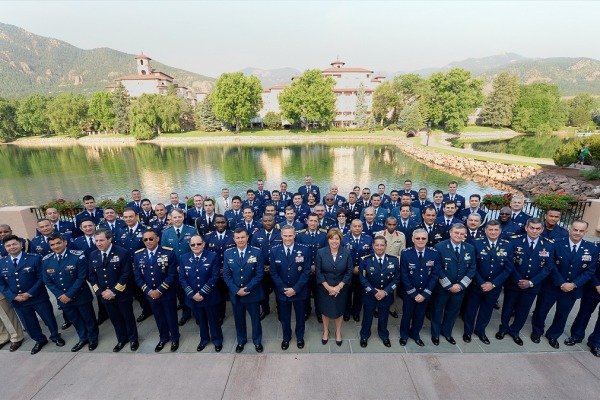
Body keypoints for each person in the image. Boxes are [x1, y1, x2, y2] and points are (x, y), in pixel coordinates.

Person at [531, 220, 598, 349]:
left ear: (586, 232)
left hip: (572, 289)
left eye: (581, 231)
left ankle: (553, 335)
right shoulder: (556, 244)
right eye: (575, 229)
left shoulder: (592, 248)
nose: (577, 233)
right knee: (541, 310)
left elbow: (590, 271)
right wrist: (561, 282)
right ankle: (537, 331)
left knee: (562, 314)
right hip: (552, 285)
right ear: (570, 229)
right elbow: (550, 265)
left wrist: (573, 284)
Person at [0, 234, 65, 354]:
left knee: (48, 318)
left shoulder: (35, 258)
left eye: (14, 244)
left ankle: (55, 336)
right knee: (29, 323)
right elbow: (2, 284)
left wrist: (29, 293)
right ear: (5, 248)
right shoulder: (2, 263)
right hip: (18, 300)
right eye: (8, 245)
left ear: (20, 244)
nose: (12, 247)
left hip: (37, 297)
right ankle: (40, 340)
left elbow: (42, 278)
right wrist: (13, 296)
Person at [496, 218, 555, 346]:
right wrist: (517, 279)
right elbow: (509, 261)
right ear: (526, 228)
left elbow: (548, 267)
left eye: (538, 228)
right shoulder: (514, 241)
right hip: (514, 282)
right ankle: (504, 328)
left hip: (533, 285)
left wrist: (531, 282)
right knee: (508, 307)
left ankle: (515, 331)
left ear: (542, 229)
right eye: (532, 228)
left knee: (524, 309)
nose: (534, 231)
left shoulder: (549, 244)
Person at [42, 233, 99, 352]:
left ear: (65, 242)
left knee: (88, 318)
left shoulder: (78, 256)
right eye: (52, 244)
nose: (56, 246)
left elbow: (81, 277)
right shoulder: (46, 260)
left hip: (80, 295)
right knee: (75, 319)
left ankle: (93, 338)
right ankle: (83, 338)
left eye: (58, 243)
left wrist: (69, 295)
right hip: (62, 298)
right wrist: (60, 295)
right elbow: (48, 281)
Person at [463, 221, 514, 345]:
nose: (493, 232)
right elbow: (472, 266)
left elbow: (508, 268)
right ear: (485, 230)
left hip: (494, 287)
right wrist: (481, 282)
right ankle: (468, 331)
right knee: (471, 309)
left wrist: (493, 284)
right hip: (476, 285)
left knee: (487, 310)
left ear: (500, 231)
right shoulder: (476, 243)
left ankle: (480, 331)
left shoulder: (507, 245)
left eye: (496, 230)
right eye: (490, 230)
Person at [88, 229, 138, 352]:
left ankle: (133, 339)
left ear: (109, 239)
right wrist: (100, 292)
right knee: (115, 319)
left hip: (122, 294)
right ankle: (121, 339)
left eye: (101, 240)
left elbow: (126, 274)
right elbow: (92, 276)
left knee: (128, 318)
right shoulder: (93, 254)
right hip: (104, 295)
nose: (98, 243)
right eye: (97, 240)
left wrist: (114, 291)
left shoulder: (122, 253)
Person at [134, 229, 180, 352]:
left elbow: (171, 275)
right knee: (159, 317)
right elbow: (138, 277)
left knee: (171, 317)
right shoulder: (138, 255)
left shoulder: (168, 253)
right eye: (145, 239)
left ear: (157, 239)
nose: (148, 241)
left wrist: (159, 290)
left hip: (166, 293)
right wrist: (149, 291)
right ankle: (163, 337)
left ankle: (175, 338)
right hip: (150, 295)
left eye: (151, 238)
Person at [431, 223, 476, 345]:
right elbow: (437, 268)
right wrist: (448, 285)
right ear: (450, 232)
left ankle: (447, 332)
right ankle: (435, 334)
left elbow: (472, 268)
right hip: (443, 288)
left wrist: (461, 285)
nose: (459, 236)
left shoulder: (469, 248)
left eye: (462, 234)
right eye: (456, 233)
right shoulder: (439, 246)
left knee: (453, 312)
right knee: (437, 311)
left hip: (459, 289)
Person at [223, 228, 265, 353]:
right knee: (239, 319)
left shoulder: (256, 252)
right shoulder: (228, 253)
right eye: (238, 238)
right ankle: (241, 340)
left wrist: (247, 288)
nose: (240, 240)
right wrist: (236, 290)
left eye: (243, 237)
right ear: (234, 239)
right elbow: (226, 275)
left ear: (247, 238)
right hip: (236, 294)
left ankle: (257, 341)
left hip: (252, 293)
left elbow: (259, 274)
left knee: (255, 319)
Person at [269, 225, 311, 350]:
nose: (288, 238)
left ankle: (299, 337)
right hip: (283, 292)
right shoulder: (274, 249)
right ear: (281, 236)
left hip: (299, 291)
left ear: (294, 235)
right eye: (285, 236)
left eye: (290, 235)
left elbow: (306, 271)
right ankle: (286, 338)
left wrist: (296, 289)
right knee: (285, 317)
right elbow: (273, 272)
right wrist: (284, 288)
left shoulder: (304, 249)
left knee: (300, 317)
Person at [180, 235, 223, 352]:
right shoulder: (184, 258)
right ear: (189, 246)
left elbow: (214, 277)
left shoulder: (212, 256)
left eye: (199, 244)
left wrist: (202, 293)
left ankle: (217, 340)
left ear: (203, 244)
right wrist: (192, 295)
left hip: (209, 296)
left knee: (213, 320)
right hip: (193, 297)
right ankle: (204, 339)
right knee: (200, 321)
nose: (196, 246)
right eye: (193, 245)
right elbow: (182, 279)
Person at [399, 229, 441, 346]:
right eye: (417, 238)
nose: (420, 241)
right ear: (412, 239)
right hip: (409, 292)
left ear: (427, 239)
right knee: (407, 315)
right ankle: (404, 335)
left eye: (423, 238)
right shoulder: (405, 253)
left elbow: (434, 275)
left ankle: (415, 334)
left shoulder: (434, 253)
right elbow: (404, 274)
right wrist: (413, 293)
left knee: (420, 315)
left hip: (425, 293)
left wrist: (425, 294)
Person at [358, 236, 401, 348]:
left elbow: (397, 279)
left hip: (386, 295)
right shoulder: (365, 260)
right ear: (373, 246)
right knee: (367, 317)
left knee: (384, 317)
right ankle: (364, 335)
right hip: (370, 295)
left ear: (386, 246)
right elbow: (363, 279)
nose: (379, 247)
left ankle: (383, 335)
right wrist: (373, 291)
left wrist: (385, 292)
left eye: (382, 245)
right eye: (377, 245)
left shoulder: (394, 260)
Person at [316, 228, 353, 346]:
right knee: (325, 310)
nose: (334, 241)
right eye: (331, 238)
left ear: (341, 240)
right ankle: (326, 331)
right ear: (328, 240)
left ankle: (338, 331)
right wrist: (328, 287)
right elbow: (318, 271)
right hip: (324, 288)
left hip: (341, 288)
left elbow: (349, 271)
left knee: (339, 310)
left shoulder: (346, 252)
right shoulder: (321, 252)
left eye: (337, 239)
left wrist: (339, 287)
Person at [160, 208, 197, 326]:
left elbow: (196, 249)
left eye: (179, 217)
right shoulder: (166, 232)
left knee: (193, 289)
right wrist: (173, 266)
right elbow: (164, 252)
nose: (177, 219)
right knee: (180, 292)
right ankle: (186, 313)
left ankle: (196, 313)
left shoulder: (191, 230)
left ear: (183, 217)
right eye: (174, 217)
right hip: (174, 269)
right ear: (171, 218)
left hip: (190, 267)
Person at [567, 242, 600, 356]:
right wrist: (597, 284)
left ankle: (596, 342)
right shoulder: (596, 247)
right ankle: (576, 335)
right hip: (594, 287)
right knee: (584, 312)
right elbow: (591, 268)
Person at [296, 214, 328, 321]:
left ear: (318, 223)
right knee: (305, 291)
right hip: (305, 269)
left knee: (319, 293)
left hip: (320, 269)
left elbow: (326, 253)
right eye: (311, 221)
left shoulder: (324, 235)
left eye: (315, 221)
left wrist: (316, 266)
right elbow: (298, 253)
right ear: (307, 222)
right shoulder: (300, 235)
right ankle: (307, 311)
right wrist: (308, 266)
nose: (313, 223)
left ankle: (319, 312)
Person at [250, 215, 282, 320]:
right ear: (262, 222)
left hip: (277, 269)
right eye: (265, 221)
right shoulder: (256, 235)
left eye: (270, 220)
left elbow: (282, 251)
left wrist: (272, 266)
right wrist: (261, 266)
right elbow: (253, 253)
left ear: (274, 221)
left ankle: (280, 310)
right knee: (263, 291)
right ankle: (265, 309)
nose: (268, 223)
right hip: (261, 269)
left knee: (279, 290)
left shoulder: (280, 234)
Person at [343, 219, 373, 322]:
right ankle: (346, 312)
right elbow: (341, 256)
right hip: (347, 272)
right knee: (346, 294)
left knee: (359, 294)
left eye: (359, 226)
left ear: (362, 227)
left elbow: (370, 256)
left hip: (362, 272)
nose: (357, 228)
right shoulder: (344, 239)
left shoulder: (368, 239)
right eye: (354, 226)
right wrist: (351, 268)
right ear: (350, 227)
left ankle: (356, 312)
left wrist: (361, 267)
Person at [375, 216, 406, 319]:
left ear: (396, 225)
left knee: (393, 289)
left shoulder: (401, 236)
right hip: (380, 265)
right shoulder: (379, 234)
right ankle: (377, 308)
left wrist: (397, 264)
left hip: (394, 266)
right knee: (379, 285)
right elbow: (376, 250)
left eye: (394, 224)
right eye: (389, 224)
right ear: (385, 224)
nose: (391, 226)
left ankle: (392, 308)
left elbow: (402, 253)